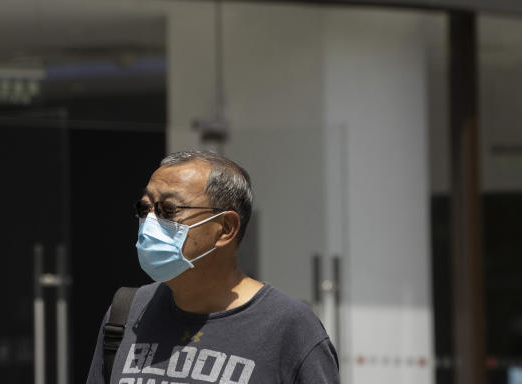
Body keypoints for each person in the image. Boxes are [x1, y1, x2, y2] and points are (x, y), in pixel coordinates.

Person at [86, 150, 339, 384]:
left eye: (168, 210)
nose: (150, 222)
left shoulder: (289, 327)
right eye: (145, 208)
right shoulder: (126, 314)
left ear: (226, 228)